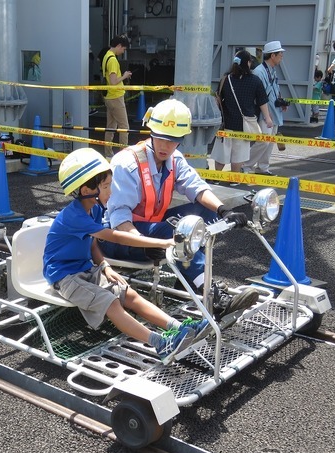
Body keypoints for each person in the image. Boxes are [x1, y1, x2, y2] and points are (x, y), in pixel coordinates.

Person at [43, 148, 212, 365]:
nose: (110, 192)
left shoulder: (93, 209)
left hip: (86, 269)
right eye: (105, 187)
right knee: (111, 302)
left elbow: (93, 242)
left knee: (129, 294)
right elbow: (118, 237)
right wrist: (163, 242)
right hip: (65, 276)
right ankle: (160, 344)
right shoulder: (74, 216)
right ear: (87, 189)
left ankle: (181, 329)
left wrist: (104, 266)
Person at [98, 99, 259, 320]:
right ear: (151, 132)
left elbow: (196, 187)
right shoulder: (127, 163)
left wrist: (223, 211)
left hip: (150, 229)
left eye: (173, 140)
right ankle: (211, 295)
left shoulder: (174, 159)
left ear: (181, 139)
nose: (166, 146)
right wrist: (147, 244)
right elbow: (119, 219)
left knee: (205, 214)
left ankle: (188, 279)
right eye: (161, 138)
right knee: (176, 232)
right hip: (118, 238)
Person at [212, 50, 272, 184]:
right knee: (239, 153)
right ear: (248, 63)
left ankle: (216, 177)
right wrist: (268, 118)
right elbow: (262, 101)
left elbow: (217, 99)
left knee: (222, 152)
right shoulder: (254, 81)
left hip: (226, 123)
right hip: (244, 125)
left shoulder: (226, 79)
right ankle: (234, 178)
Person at [244, 41, 287, 176]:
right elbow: (259, 96)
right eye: (280, 54)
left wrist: (281, 102)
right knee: (264, 140)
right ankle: (246, 165)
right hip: (265, 112)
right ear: (272, 55)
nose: (282, 56)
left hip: (273, 110)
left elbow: (274, 90)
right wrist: (267, 114)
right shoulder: (260, 72)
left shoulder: (271, 70)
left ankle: (263, 167)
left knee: (270, 141)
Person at [102, 35, 132, 158]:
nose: (123, 51)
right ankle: (124, 156)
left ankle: (108, 154)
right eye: (123, 49)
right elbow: (113, 81)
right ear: (119, 46)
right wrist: (124, 76)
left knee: (111, 127)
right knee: (124, 127)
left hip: (109, 97)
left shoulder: (106, 56)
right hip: (116, 97)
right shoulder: (113, 60)